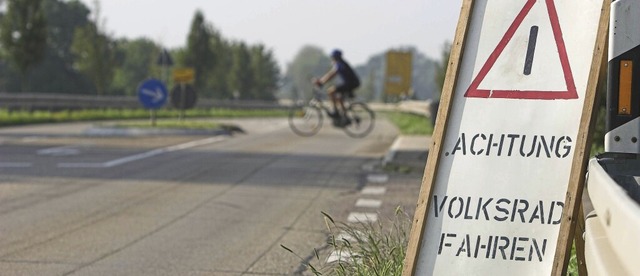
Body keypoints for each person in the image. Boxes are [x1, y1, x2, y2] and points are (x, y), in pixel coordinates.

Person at [313, 49, 360, 127]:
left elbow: (331, 74)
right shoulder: (342, 63)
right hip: (351, 83)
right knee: (339, 98)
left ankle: (335, 112)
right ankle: (344, 117)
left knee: (330, 91)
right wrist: (322, 81)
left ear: (335, 57)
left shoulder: (339, 64)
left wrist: (321, 82)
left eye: (332, 57)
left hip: (351, 83)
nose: (332, 59)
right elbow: (331, 74)